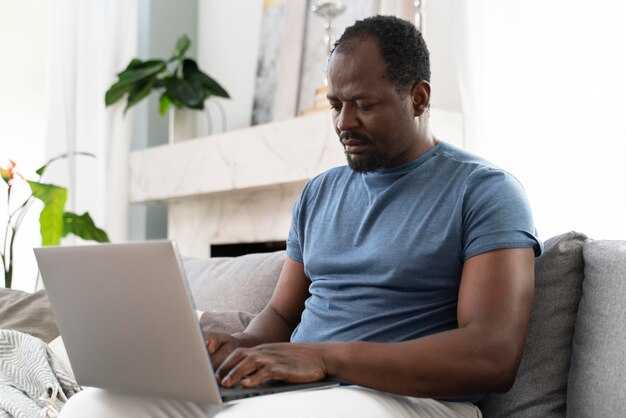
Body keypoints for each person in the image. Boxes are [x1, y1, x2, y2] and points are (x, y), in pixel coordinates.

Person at [61, 15, 542, 418]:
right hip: (300, 389)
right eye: (336, 105)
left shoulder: (484, 191)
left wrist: (322, 357)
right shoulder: (321, 192)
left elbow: (492, 355)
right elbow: (281, 313)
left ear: (418, 97)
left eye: (364, 105)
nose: (343, 123)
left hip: (407, 399)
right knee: (99, 406)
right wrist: (241, 348)